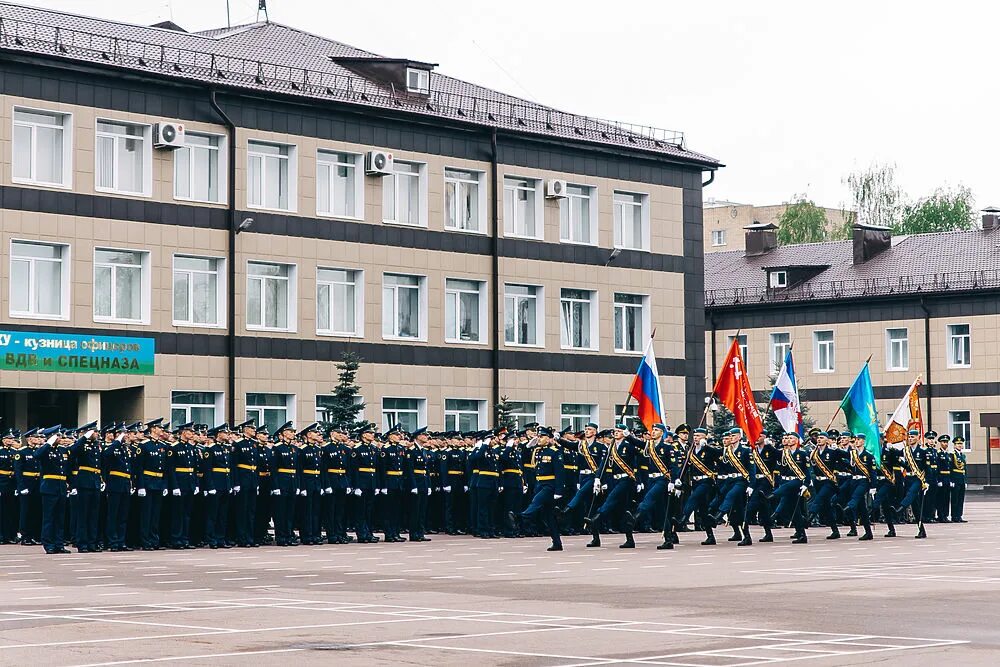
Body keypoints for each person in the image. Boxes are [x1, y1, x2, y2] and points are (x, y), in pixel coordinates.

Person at [514, 426, 565, 551]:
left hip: (550, 485)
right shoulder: (538, 451)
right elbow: (522, 453)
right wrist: (528, 444)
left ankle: (521, 517)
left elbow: (560, 473)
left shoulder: (555, 451)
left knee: (536, 501)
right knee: (549, 516)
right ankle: (557, 542)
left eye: (542, 436)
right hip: (539, 484)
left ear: (549, 439)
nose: (539, 439)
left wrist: (559, 491)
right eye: (539, 436)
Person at [36, 425, 73, 554]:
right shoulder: (45, 450)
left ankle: (59, 544)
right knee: (49, 518)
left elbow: (66, 469)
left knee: (60, 518)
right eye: (57, 436)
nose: (61, 438)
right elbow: (37, 455)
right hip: (49, 488)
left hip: (61, 487)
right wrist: (48, 444)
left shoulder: (62, 450)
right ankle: (48, 544)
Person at [740, 433, 779, 546]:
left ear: (764, 437)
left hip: (765, 483)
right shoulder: (751, 450)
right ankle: (768, 533)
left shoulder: (769, 450)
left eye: (759, 436)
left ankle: (747, 537)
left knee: (749, 508)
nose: (756, 438)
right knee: (763, 509)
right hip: (753, 482)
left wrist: (771, 446)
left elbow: (781, 457)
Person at [772, 432, 810, 544]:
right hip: (785, 482)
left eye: (791, 438)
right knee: (793, 510)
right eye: (787, 438)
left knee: (793, 507)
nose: (788, 440)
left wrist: (806, 484)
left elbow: (807, 471)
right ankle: (802, 533)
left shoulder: (802, 454)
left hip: (796, 482)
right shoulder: (783, 453)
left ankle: (772, 496)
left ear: (796, 440)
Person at [348, 424, 379, 544]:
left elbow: (375, 468)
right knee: (360, 510)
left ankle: (369, 532)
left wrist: (376, 485)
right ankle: (362, 534)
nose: (373, 435)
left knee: (369, 510)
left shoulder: (373, 449)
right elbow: (354, 469)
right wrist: (356, 486)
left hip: (371, 482)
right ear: (363, 435)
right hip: (362, 482)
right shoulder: (357, 449)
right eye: (370, 433)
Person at [845, 434, 876, 541]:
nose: (856, 442)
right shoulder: (852, 454)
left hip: (864, 481)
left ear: (863, 441)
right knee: (862, 508)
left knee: (856, 496)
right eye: (855, 440)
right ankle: (868, 532)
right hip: (854, 480)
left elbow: (873, 472)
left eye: (858, 440)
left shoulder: (869, 455)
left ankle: (849, 507)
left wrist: (873, 486)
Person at [950, 437, 967, 522]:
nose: (960, 445)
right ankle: (954, 516)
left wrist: (965, 481)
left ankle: (959, 515)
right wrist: (952, 480)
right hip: (955, 480)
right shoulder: (952, 455)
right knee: (955, 499)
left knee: (961, 499)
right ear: (954, 445)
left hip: (962, 480)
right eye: (958, 444)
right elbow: (951, 469)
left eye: (961, 444)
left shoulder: (962, 455)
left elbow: (965, 469)